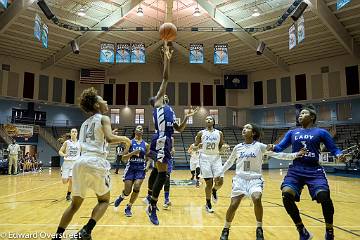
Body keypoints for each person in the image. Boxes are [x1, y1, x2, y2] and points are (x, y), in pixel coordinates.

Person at [52, 87, 131, 240]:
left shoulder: (84, 124)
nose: (106, 101)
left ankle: (57, 237)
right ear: (96, 105)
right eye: (102, 99)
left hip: (79, 163)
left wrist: (112, 135)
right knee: (104, 200)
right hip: (95, 162)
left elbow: (98, 138)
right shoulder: (104, 118)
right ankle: (86, 231)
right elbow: (108, 138)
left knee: (74, 205)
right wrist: (125, 139)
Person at [269, 104, 346, 240]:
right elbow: (280, 147)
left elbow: (334, 149)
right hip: (296, 169)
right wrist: (273, 147)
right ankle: (302, 230)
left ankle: (329, 230)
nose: (300, 115)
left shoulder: (321, 132)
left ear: (312, 117)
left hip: (314, 170)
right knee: (286, 194)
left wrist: (339, 154)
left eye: (304, 113)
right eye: (300, 114)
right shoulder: (292, 132)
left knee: (323, 196)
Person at [219, 123, 306, 240]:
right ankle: (226, 229)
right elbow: (229, 162)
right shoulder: (238, 147)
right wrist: (220, 173)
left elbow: (278, 154)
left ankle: (259, 228)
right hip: (240, 179)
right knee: (234, 205)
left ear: (253, 133)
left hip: (255, 179)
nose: (244, 129)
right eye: (243, 127)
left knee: (256, 198)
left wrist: (295, 155)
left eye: (248, 128)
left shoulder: (259, 146)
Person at [144, 42, 198, 225]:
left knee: (159, 172)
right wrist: (167, 59)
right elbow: (166, 79)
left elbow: (180, 129)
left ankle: (149, 197)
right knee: (163, 174)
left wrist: (186, 117)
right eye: (161, 95)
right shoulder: (158, 104)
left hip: (167, 139)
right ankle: (152, 204)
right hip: (160, 138)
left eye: (165, 96)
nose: (164, 96)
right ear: (157, 100)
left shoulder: (170, 110)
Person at [114, 125, 150, 217]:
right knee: (127, 191)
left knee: (137, 186)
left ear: (142, 132)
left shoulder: (146, 145)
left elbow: (149, 159)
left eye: (142, 128)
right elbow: (123, 158)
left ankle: (129, 207)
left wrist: (147, 167)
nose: (140, 129)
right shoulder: (129, 142)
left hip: (140, 168)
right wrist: (133, 153)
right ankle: (122, 197)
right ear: (135, 131)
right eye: (138, 128)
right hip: (131, 168)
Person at [193, 116, 227, 213]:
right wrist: (197, 146)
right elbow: (195, 146)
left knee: (220, 181)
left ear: (213, 122)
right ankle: (208, 203)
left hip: (216, 158)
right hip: (205, 158)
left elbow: (221, 145)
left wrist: (223, 148)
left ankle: (214, 190)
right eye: (207, 119)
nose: (208, 120)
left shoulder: (219, 133)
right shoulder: (201, 133)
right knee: (209, 182)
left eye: (210, 119)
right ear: (205, 121)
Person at [58, 128, 81, 201]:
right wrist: (64, 154)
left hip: (75, 163)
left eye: (75, 132)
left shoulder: (80, 143)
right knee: (65, 181)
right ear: (70, 133)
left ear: (77, 134)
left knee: (72, 180)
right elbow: (60, 151)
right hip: (67, 163)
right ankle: (63, 174)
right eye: (72, 132)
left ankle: (68, 195)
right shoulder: (66, 142)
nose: (74, 133)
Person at [163, 137, 175, 209]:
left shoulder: (171, 138)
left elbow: (172, 148)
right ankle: (150, 197)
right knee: (158, 180)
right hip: (160, 159)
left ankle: (166, 199)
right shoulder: (158, 136)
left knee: (167, 180)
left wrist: (173, 150)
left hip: (168, 160)